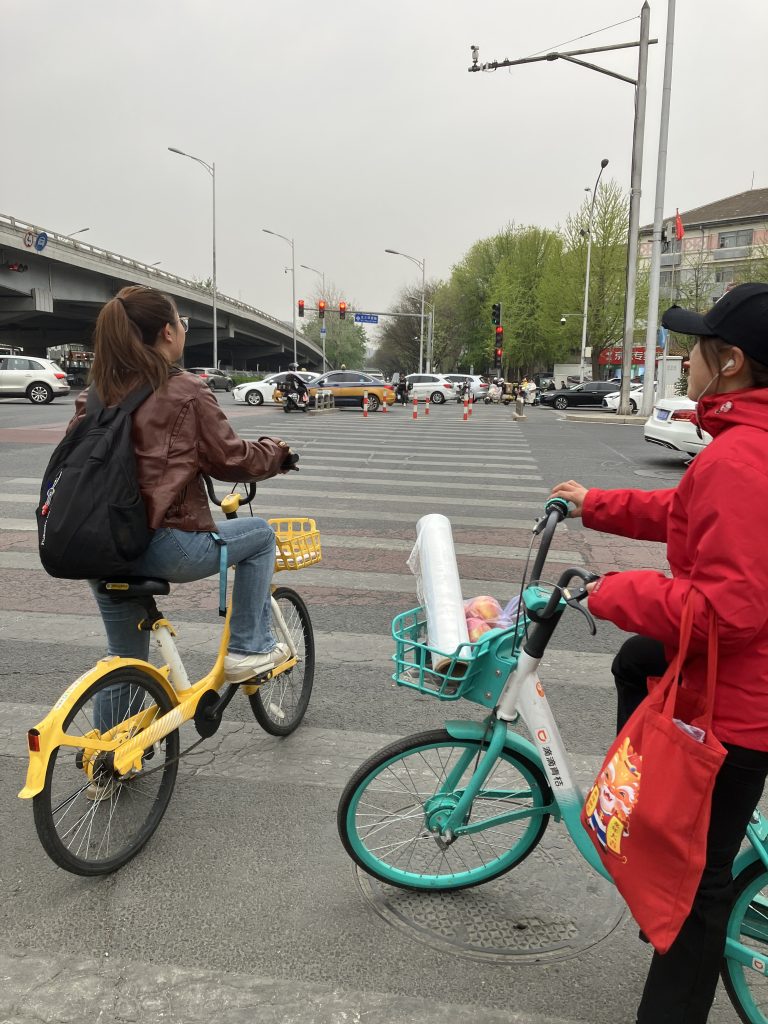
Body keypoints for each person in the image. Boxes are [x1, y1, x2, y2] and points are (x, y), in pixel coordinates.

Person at [551, 282, 768, 1024]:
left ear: (730, 361)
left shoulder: (743, 457)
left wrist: (615, 592)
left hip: (739, 706)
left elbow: (728, 610)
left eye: (695, 346)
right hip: (734, 677)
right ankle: (649, 807)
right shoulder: (743, 448)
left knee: (700, 890)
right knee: (637, 661)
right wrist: (595, 502)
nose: (684, 359)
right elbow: (685, 513)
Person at [69, 285, 299, 687]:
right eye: (182, 322)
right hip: (165, 545)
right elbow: (229, 458)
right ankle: (248, 648)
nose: (183, 330)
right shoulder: (185, 389)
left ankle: (105, 752)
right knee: (260, 535)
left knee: (124, 660)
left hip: (98, 545)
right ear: (168, 332)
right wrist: (275, 453)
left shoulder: (94, 394)